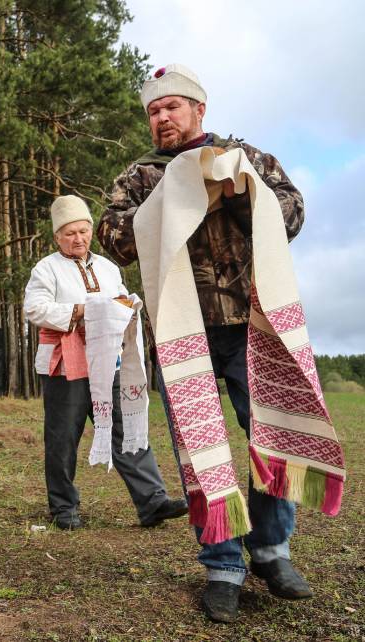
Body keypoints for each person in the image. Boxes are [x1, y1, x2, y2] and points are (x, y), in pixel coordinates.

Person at [97, 64, 339, 623]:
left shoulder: (245, 157)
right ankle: (222, 565)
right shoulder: (140, 177)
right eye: (154, 111)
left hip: (255, 327)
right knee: (202, 453)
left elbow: (293, 214)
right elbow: (116, 239)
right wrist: (172, 203)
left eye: (172, 107)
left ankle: (272, 552)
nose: (162, 118)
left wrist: (233, 195)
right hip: (183, 333)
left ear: (198, 110)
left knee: (271, 435)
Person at [24, 194, 187, 531]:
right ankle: (64, 508)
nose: (78, 238)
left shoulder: (109, 268)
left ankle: (152, 501)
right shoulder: (47, 268)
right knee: (63, 437)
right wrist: (80, 311)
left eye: (83, 231)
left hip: (108, 362)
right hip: (66, 366)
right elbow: (34, 309)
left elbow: (121, 301)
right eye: (69, 233)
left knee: (125, 427)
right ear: (57, 237)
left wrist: (126, 307)